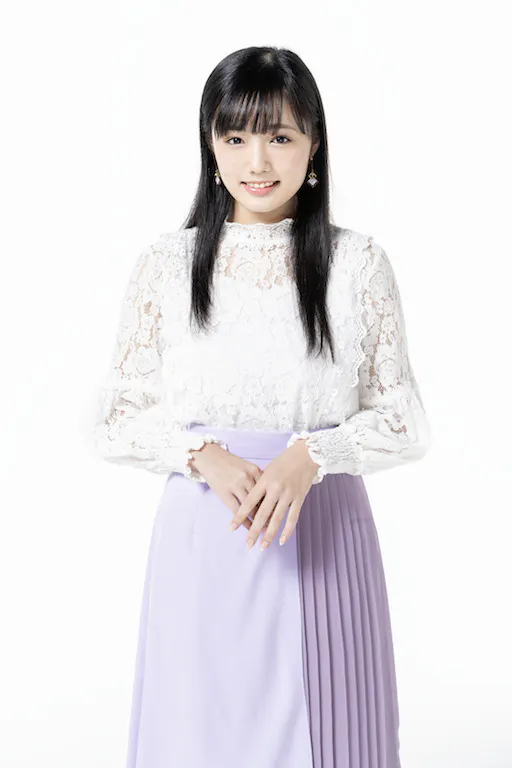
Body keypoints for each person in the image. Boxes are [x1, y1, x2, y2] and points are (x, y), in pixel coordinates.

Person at [90, 45, 432, 768]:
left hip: (322, 535)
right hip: (204, 541)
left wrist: (312, 455)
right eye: (236, 136)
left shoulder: (357, 264)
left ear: (314, 143)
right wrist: (201, 455)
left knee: (335, 739)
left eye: (279, 136)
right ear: (210, 145)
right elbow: (116, 418)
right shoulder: (167, 265)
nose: (258, 160)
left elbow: (404, 420)